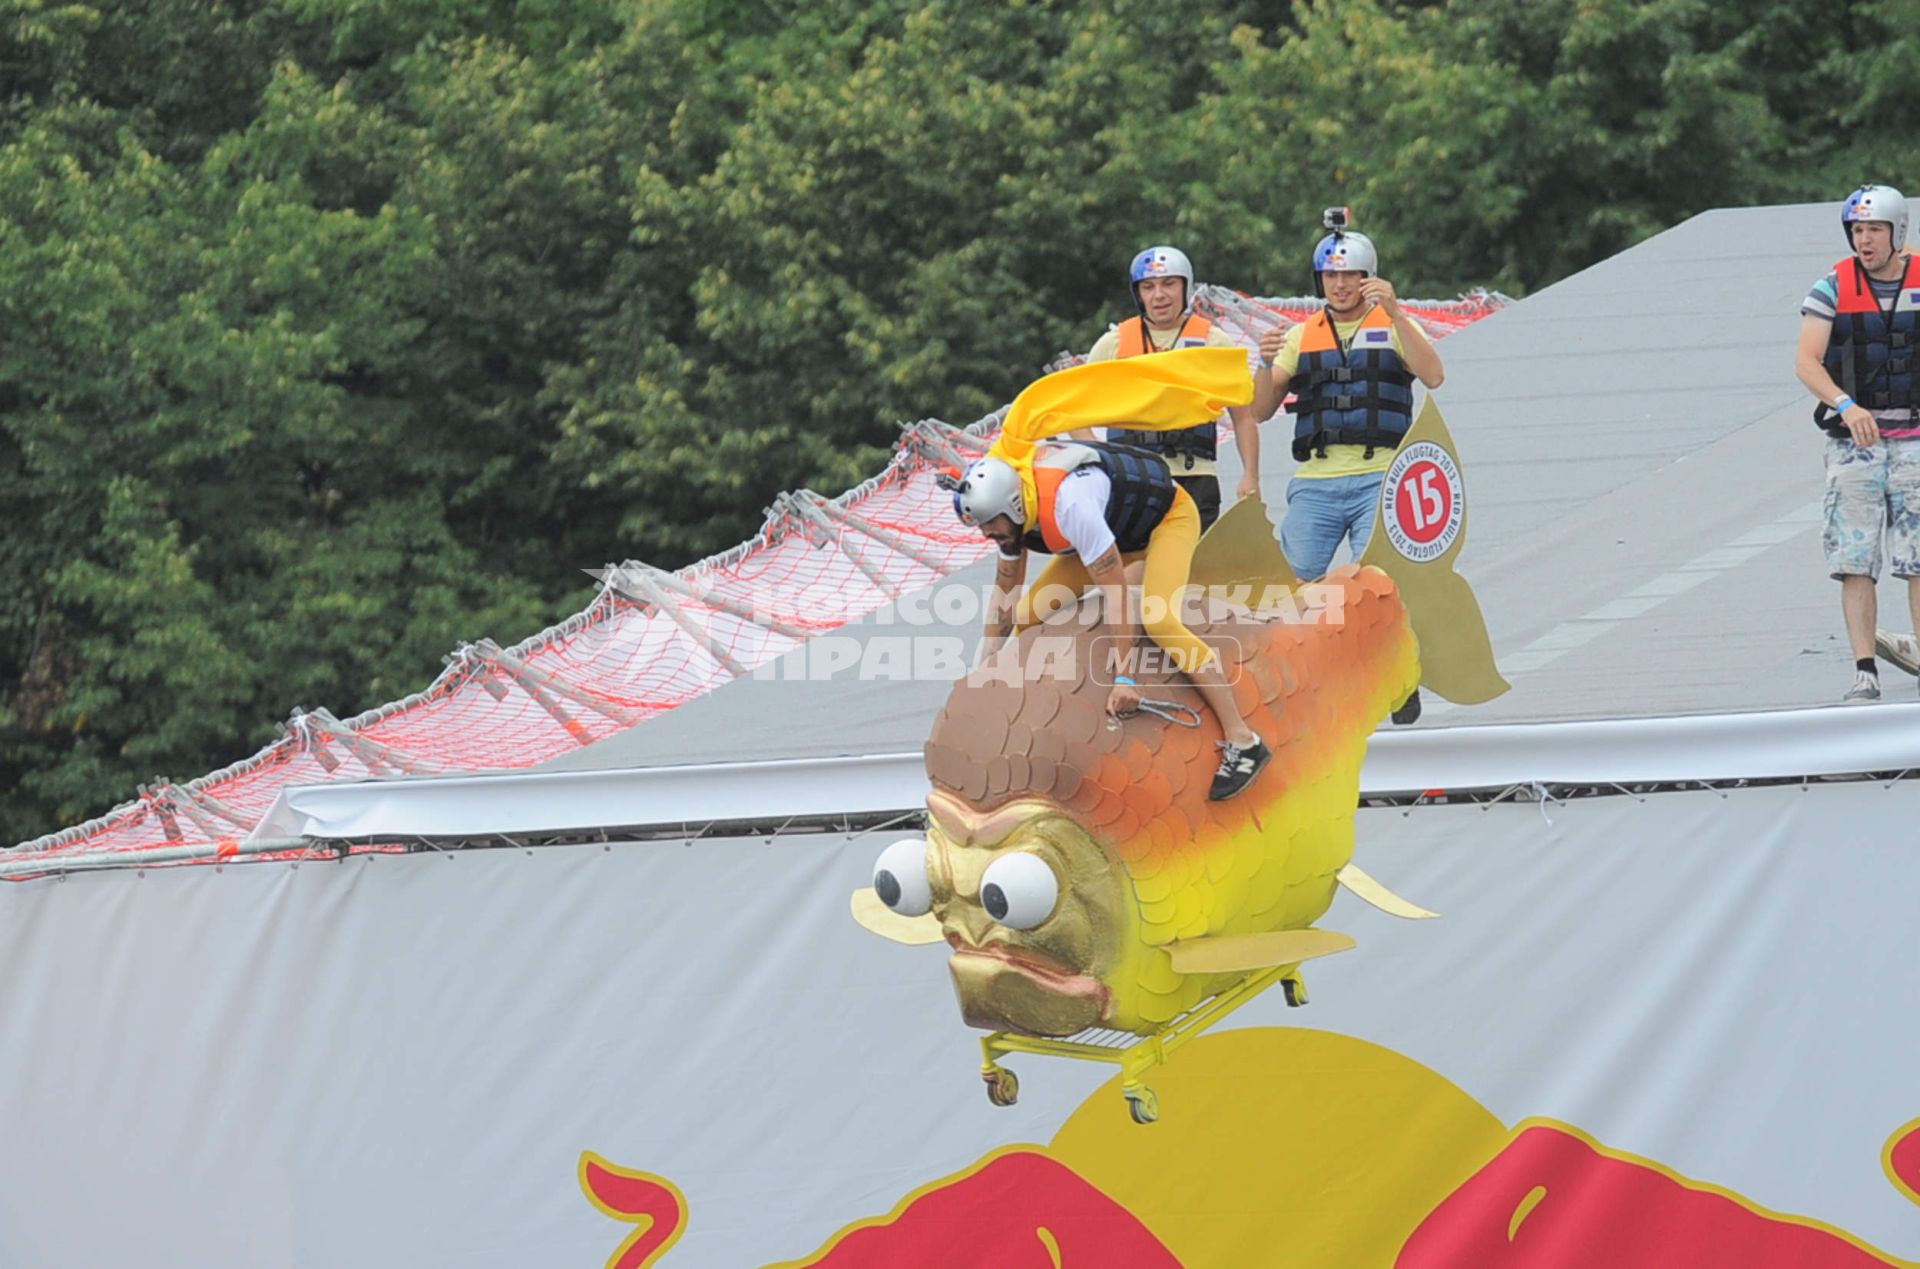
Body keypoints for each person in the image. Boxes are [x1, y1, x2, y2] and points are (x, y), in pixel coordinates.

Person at [952, 442, 1271, 802]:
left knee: (1159, 619)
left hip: (1166, 522)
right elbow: (1004, 604)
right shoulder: (1010, 518)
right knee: (1027, 616)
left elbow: (1117, 595)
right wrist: (981, 674)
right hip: (1116, 534)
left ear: (1011, 506)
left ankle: (1243, 740)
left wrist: (1125, 678)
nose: (986, 534)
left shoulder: (1071, 507)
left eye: (989, 525)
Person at [1249, 217, 1445, 581]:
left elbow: (1434, 376)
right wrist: (1263, 363)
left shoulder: (1393, 325)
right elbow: (1260, 411)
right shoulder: (1300, 335)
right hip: (1316, 480)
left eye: (1350, 275)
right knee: (1292, 579)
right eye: (1330, 276)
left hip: (1381, 477)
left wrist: (1396, 313)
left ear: (1368, 277)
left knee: (1377, 580)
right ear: (1319, 280)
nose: (1339, 285)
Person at [1792, 184, 1920, 704]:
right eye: (1857, 231)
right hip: (1855, 444)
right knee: (1855, 557)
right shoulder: (1832, 287)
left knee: (1918, 558)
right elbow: (1807, 360)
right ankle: (1865, 669)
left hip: (1915, 438)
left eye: (1874, 230)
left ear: (1897, 233)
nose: (1864, 241)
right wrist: (1846, 404)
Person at [1081, 246, 1262, 527]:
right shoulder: (1112, 344)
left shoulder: (1213, 341)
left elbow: (1244, 418)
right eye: (1148, 287)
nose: (1159, 295)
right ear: (1138, 294)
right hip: (1132, 478)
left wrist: (1250, 474)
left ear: (1185, 287)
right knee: (1136, 566)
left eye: (1169, 284)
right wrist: (1102, 461)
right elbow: (1074, 411)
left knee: (1191, 566)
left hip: (1195, 475)